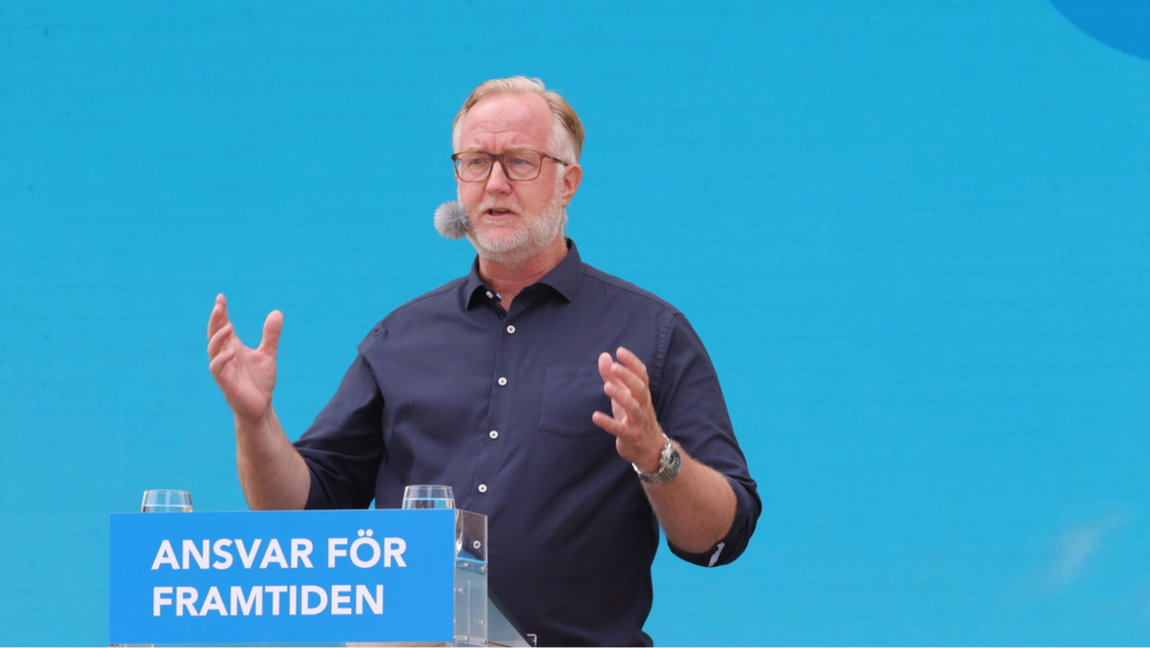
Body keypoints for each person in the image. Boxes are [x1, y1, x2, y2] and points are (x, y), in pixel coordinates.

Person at [207, 76, 760, 647]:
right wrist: (254, 421)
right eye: (476, 162)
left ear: (568, 182)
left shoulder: (651, 333)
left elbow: (721, 536)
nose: (494, 183)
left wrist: (656, 455)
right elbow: (301, 513)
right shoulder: (399, 338)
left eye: (519, 161)